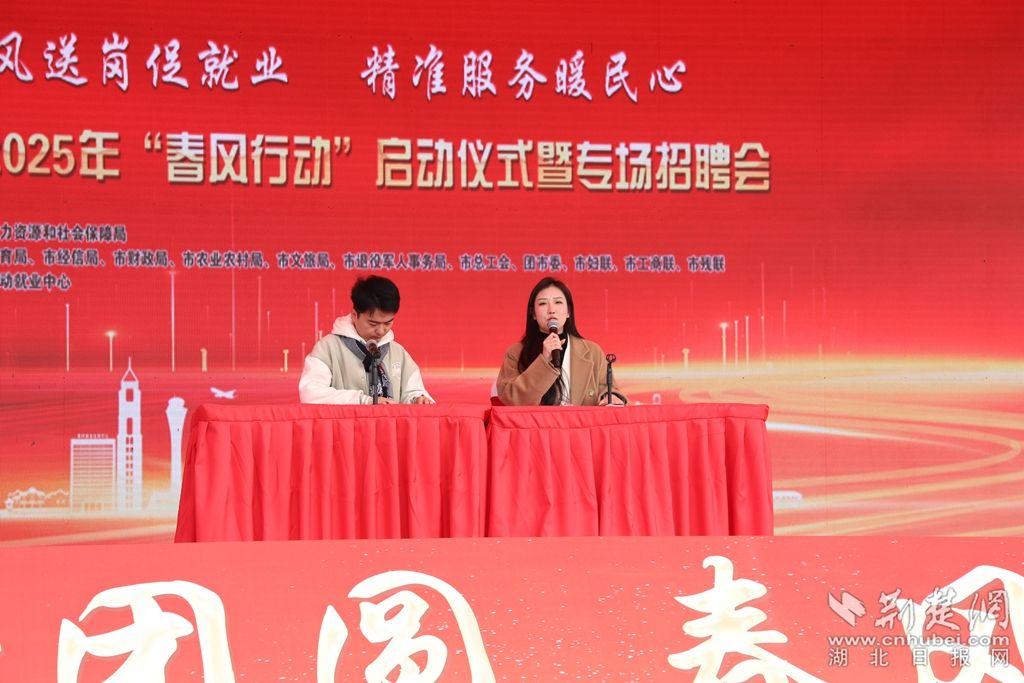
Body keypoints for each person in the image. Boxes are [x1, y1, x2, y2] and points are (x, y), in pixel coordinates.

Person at [299, 275, 433, 405]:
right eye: (373, 324)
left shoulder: (398, 352)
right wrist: (363, 400)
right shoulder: (327, 348)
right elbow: (310, 394)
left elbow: (414, 392)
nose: (381, 331)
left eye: (388, 323)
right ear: (354, 315)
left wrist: (417, 399)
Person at [496, 277, 626, 406]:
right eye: (542, 303)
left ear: (569, 311)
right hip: (537, 420)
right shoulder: (516, 353)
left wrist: (610, 397)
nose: (551, 310)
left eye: (558, 302)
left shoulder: (592, 351)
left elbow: (607, 388)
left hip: (579, 420)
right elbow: (510, 398)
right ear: (533, 314)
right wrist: (543, 361)